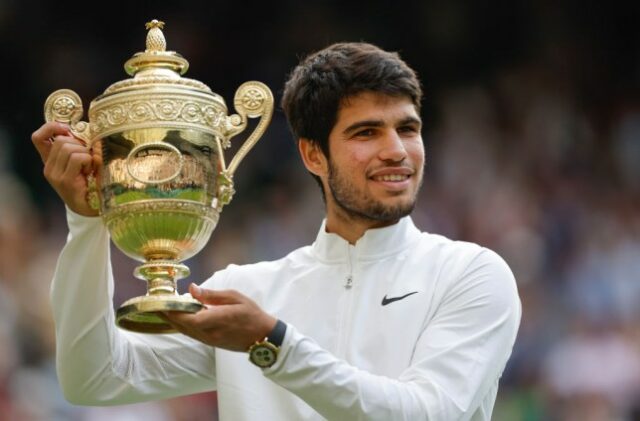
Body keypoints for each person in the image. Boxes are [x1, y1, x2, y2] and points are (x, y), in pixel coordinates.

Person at [31, 42, 521, 420]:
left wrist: (272, 344)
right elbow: (93, 379)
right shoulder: (246, 294)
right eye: (366, 132)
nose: (396, 150)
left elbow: (427, 414)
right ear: (312, 155)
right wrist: (89, 221)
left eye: (407, 129)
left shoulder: (471, 274)